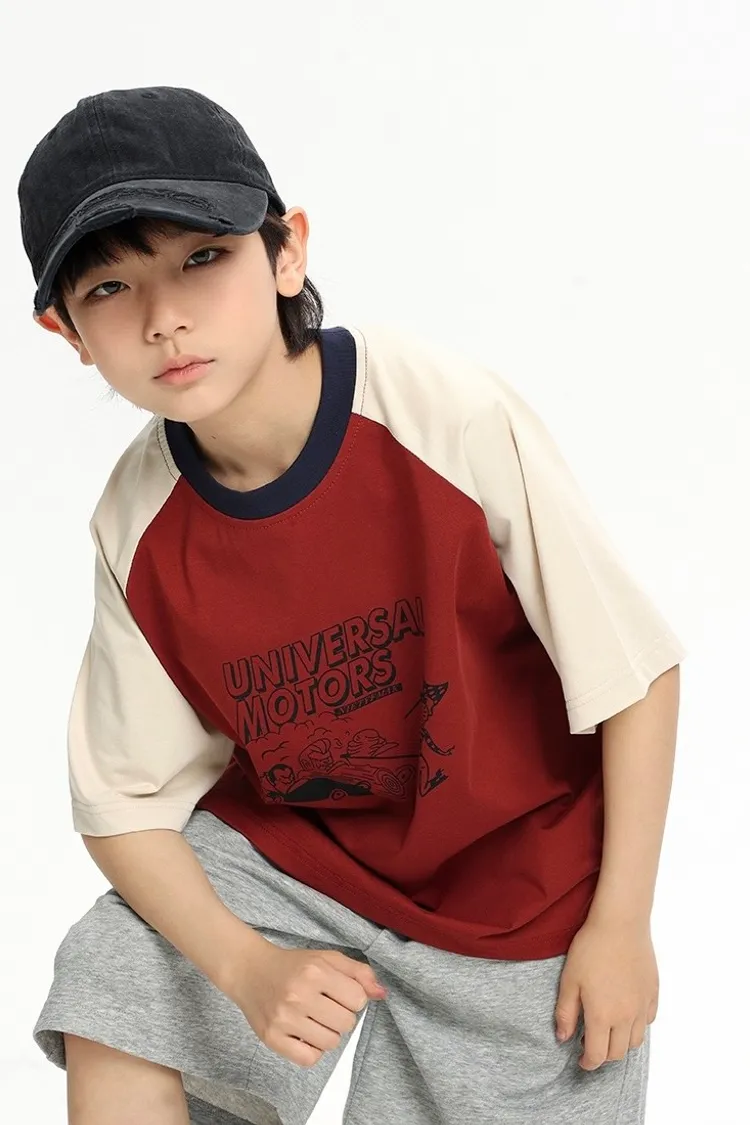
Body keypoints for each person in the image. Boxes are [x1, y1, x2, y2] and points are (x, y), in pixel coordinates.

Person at [18, 85, 685, 1125]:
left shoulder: (438, 413)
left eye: (203, 257)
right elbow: (123, 805)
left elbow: (636, 678)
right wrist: (242, 965)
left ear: (286, 251)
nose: (164, 318)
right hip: (296, 860)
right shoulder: (137, 519)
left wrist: (622, 924)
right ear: (69, 333)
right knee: (118, 978)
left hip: (520, 883)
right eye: (110, 287)